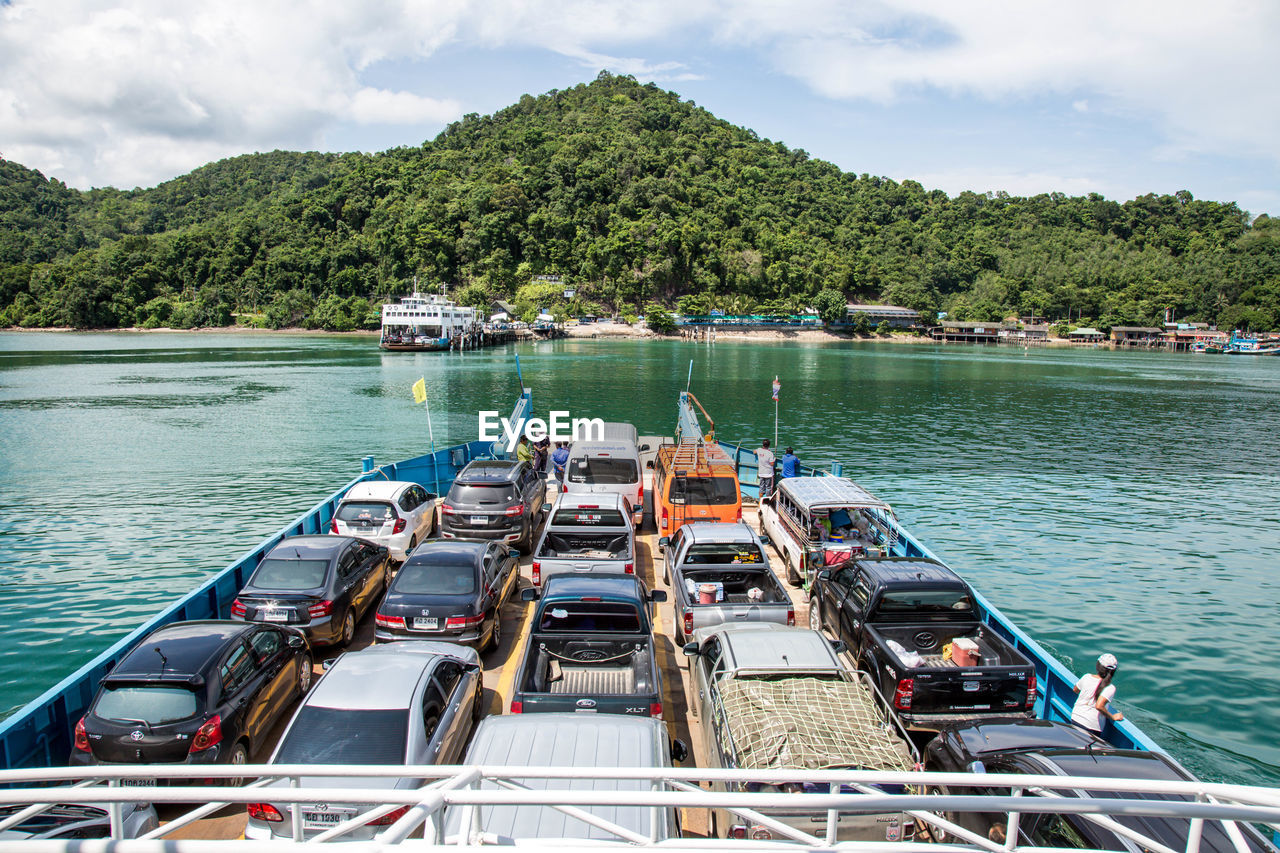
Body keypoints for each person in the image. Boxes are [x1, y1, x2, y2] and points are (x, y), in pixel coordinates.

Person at [1071, 653, 1123, 733]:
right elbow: (1099, 706)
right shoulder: (1110, 688)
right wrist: (1112, 717)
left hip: (1075, 718)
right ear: (1113, 671)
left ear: (1098, 666)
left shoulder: (1086, 677)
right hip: (1091, 726)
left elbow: (1075, 690)